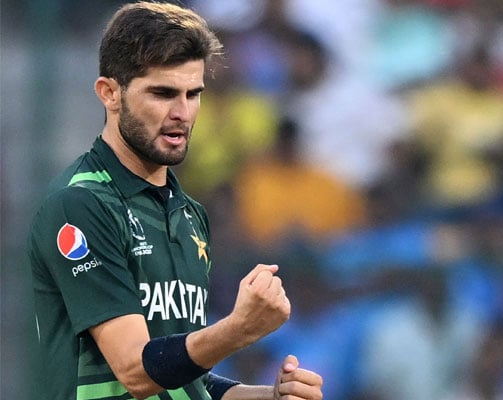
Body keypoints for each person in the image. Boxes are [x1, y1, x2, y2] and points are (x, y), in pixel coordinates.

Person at [26, 2, 323, 400]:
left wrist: (267, 396)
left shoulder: (189, 213)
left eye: (193, 94)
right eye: (163, 93)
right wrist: (239, 329)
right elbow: (135, 371)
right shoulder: (81, 204)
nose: (182, 113)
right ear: (110, 93)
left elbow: (182, 380)